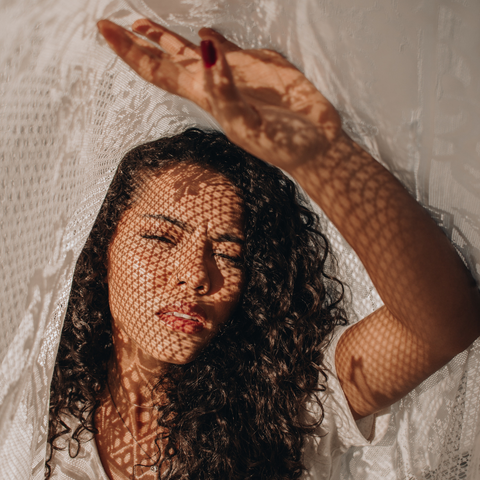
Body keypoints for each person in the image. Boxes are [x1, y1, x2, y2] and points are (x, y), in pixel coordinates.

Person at [46, 18, 480, 480]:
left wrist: (319, 153)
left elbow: (440, 325)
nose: (196, 274)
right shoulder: (41, 409)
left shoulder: (289, 398)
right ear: (101, 250)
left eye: (229, 254)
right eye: (161, 237)